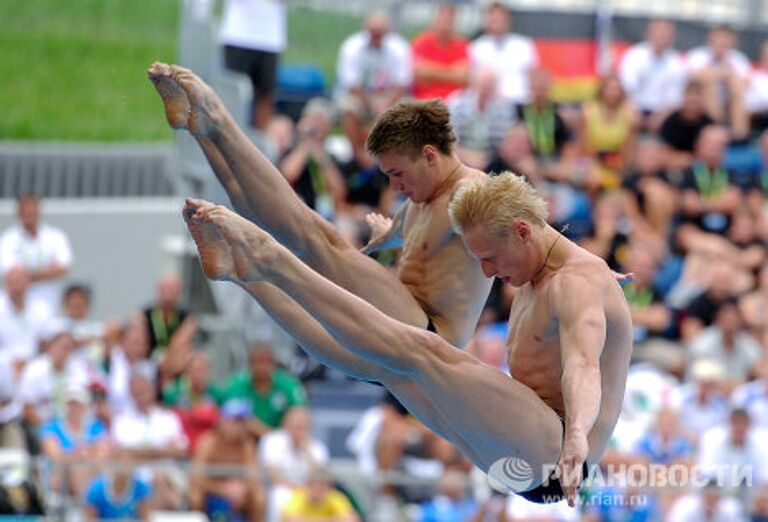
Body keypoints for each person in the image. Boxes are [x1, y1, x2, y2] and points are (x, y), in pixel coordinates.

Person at [182, 171, 633, 506]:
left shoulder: (577, 283)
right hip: (519, 450)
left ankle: (271, 261)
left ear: (521, 233)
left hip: (557, 453)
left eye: (491, 258)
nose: (488, 273)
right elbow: (484, 188)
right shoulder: (554, 261)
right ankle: (246, 275)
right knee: (383, 366)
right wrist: (395, 231)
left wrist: (576, 435)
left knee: (423, 349)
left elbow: (583, 364)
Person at [147, 62, 491, 349]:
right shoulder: (420, 198)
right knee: (311, 331)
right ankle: (203, 130)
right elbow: (406, 235)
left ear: (429, 156)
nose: (395, 186)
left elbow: (515, 223)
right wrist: (386, 236)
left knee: (319, 239)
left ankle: (218, 117)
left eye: (398, 174)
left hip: (431, 337)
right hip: (404, 330)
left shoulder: (469, 192)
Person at [0, 194, 73, 318]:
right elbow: (9, 272)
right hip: (16, 305)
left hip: (49, 301)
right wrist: (47, 271)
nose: (29, 213)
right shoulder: (8, 239)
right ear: (18, 213)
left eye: (33, 209)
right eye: (25, 210)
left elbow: (63, 268)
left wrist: (26, 274)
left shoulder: (55, 237)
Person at [219, 0, 287, 130]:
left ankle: (259, 146)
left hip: (270, 39)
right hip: (238, 36)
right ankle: (228, 140)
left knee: (265, 97)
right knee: (233, 96)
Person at [411, 3, 469, 101]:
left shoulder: (462, 44)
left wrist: (432, 72)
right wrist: (452, 73)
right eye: (443, 17)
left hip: (456, 102)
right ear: (435, 19)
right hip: (427, 102)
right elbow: (420, 72)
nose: (446, 21)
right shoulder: (422, 42)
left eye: (450, 18)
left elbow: (463, 76)